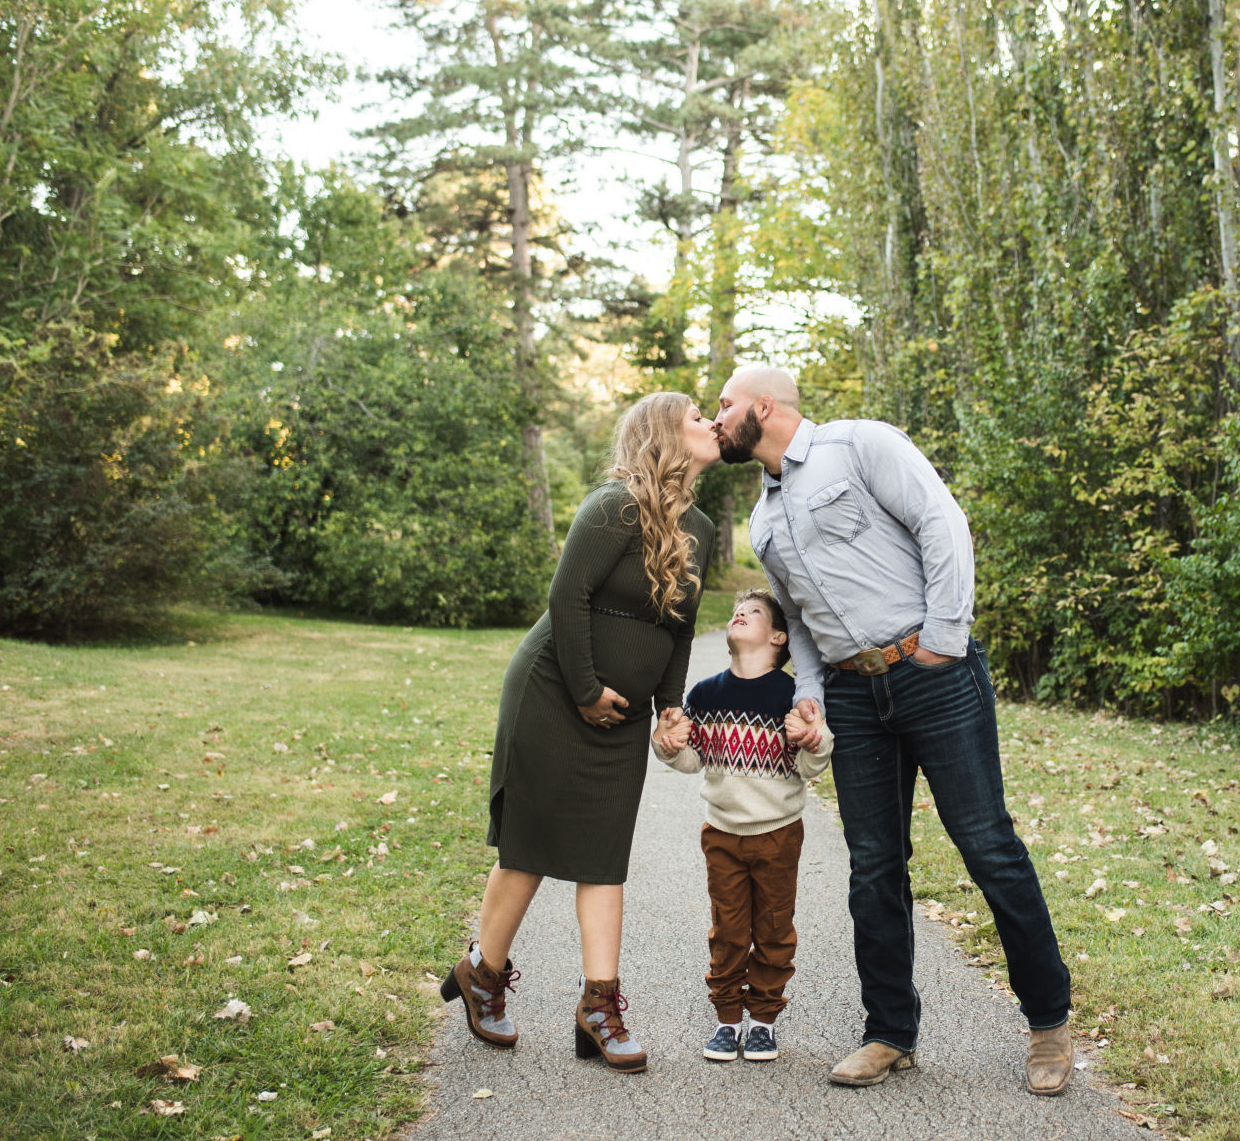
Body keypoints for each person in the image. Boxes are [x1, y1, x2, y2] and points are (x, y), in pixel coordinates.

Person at [711, 366, 1075, 1095]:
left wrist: (944, 635)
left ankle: (1048, 1026)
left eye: (722, 405)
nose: (714, 418)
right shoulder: (763, 518)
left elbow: (942, 523)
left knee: (987, 846)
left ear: (762, 406)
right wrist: (810, 694)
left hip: (932, 673)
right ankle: (889, 1033)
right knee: (874, 865)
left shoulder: (861, 445)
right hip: (850, 696)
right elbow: (803, 624)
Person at [440, 391, 719, 1074]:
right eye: (696, 417)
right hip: (554, 693)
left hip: (619, 714)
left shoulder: (703, 527)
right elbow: (566, 599)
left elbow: (679, 629)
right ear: (663, 435)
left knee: (603, 853)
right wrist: (588, 690)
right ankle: (484, 975)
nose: (711, 423)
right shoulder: (613, 507)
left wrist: (670, 706)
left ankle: (598, 1007)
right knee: (528, 845)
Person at [650, 587, 833, 1064]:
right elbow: (693, 758)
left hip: (778, 834)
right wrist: (667, 746)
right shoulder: (706, 694)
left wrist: (812, 740)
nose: (740, 614)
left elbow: (813, 765)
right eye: (737, 610)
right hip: (723, 834)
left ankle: (763, 1023)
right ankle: (728, 1018)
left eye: (753, 612)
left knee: (773, 927)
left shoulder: (793, 695)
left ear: (777, 636)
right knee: (728, 928)